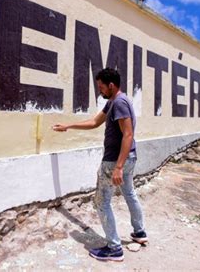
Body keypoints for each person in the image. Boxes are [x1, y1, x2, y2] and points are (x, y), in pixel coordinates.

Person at [53, 68, 147, 262]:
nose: (100, 90)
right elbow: (95, 122)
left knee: (101, 203)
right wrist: (68, 126)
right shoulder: (114, 102)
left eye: (101, 86)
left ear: (111, 85)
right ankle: (139, 232)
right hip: (128, 158)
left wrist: (118, 167)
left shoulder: (119, 102)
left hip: (115, 160)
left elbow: (128, 134)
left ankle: (114, 249)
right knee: (129, 193)